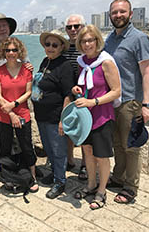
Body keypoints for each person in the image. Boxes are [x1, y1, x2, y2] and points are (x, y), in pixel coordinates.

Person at [104, 0, 149, 204]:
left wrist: (147, 104)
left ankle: (131, 186)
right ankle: (118, 177)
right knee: (117, 143)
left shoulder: (139, 38)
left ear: (130, 14)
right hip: (113, 101)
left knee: (131, 145)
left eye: (122, 12)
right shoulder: (110, 39)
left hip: (130, 101)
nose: (118, 15)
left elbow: (147, 71)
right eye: (114, 12)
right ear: (110, 16)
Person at [72, 25, 121, 210]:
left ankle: (102, 190)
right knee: (88, 152)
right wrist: (76, 89)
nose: (87, 44)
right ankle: (91, 184)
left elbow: (116, 92)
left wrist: (94, 102)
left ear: (97, 41)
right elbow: (83, 86)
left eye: (90, 40)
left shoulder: (106, 62)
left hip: (102, 115)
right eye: (83, 41)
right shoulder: (82, 62)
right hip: (86, 117)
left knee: (102, 156)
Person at [32, 30, 75, 199]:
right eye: (48, 44)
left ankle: (60, 182)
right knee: (49, 149)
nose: (50, 47)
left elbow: (68, 94)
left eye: (54, 45)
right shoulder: (45, 61)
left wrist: (63, 120)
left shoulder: (64, 66)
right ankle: (55, 173)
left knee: (58, 151)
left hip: (55, 116)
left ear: (61, 47)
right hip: (41, 115)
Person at [0, 37, 39, 193]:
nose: (11, 53)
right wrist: (11, 112)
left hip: (22, 113)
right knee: (5, 148)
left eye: (14, 50)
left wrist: (14, 105)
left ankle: (32, 176)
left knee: (26, 146)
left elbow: (28, 92)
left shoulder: (26, 70)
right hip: (4, 115)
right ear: (3, 52)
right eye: (8, 50)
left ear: (19, 51)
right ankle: (8, 177)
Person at [64, 14, 87, 180]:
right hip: (66, 94)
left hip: (86, 95)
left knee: (86, 130)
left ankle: (86, 165)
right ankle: (69, 159)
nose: (73, 30)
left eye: (76, 26)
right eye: (69, 27)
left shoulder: (87, 47)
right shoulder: (64, 48)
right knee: (68, 128)